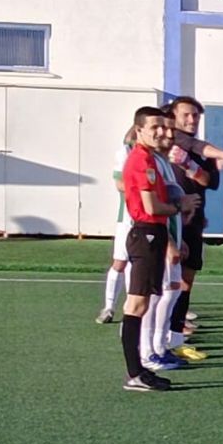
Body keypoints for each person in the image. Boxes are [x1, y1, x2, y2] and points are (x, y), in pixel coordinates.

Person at [164, 96, 223, 361]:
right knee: (167, 281)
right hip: (172, 220)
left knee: (186, 280)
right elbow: (196, 145)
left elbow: (209, 181)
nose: (192, 120)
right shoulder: (175, 139)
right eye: (187, 115)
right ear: (174, 116)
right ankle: (156, 338)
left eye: (196, 116)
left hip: (194, 220)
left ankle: (176, 336)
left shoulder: (199, 153)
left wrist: (193, 167)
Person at [118, 107, 199, 392]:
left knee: (146, 301)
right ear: (139, 129)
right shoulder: (142, 161)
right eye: (155, 127)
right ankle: (136, 370)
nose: (162, 132)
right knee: (138, 304)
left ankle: (140, 367)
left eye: (165, 128)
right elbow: (151, 207)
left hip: (154, 233)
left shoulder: (150, 159)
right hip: (146, 234)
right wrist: (181, 205)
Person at [97, 126, 137, 324]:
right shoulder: (126, 152)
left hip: (150, 218)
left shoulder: (158, 155)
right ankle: (109, 307)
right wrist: (143, 187)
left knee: (138, 263)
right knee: (120, 262)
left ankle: (131, 308)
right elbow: (120, 184)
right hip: (128, 217)